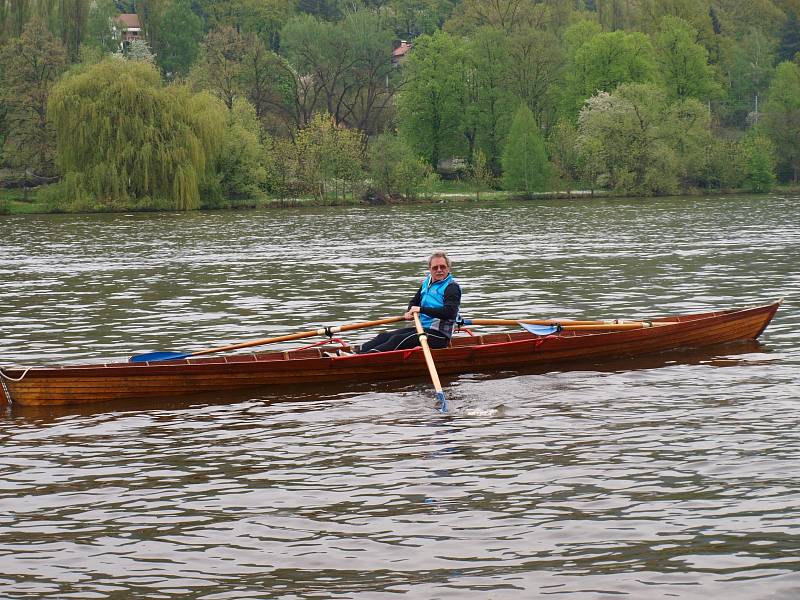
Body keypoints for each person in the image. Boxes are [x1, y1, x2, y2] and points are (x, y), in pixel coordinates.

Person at [355, 251, 462, 354]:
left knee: (397, 339)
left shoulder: (451, 287)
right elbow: (414, 301)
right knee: (384, 336)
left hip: (439, 335)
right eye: (435, 267)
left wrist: (421, 309)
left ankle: (359, 358)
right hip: (423, 329)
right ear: (430, 269)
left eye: (442, 267)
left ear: (448, 268)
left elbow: (450, 313)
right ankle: (356, 352)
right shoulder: (427, 282)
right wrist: (410, 311)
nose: (439, 270)